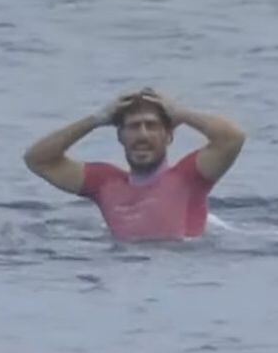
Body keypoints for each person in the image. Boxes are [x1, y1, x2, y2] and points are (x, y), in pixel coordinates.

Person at [22, 87, 246, 241]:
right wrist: (95, 120)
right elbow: (38, 160)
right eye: (134, 127)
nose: (143, 135)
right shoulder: (104, 183)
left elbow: (232, 138)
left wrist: (182, 114)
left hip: (183, 270)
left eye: (151, 126)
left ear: (169, 136)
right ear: (120, 135)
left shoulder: (189, 177)